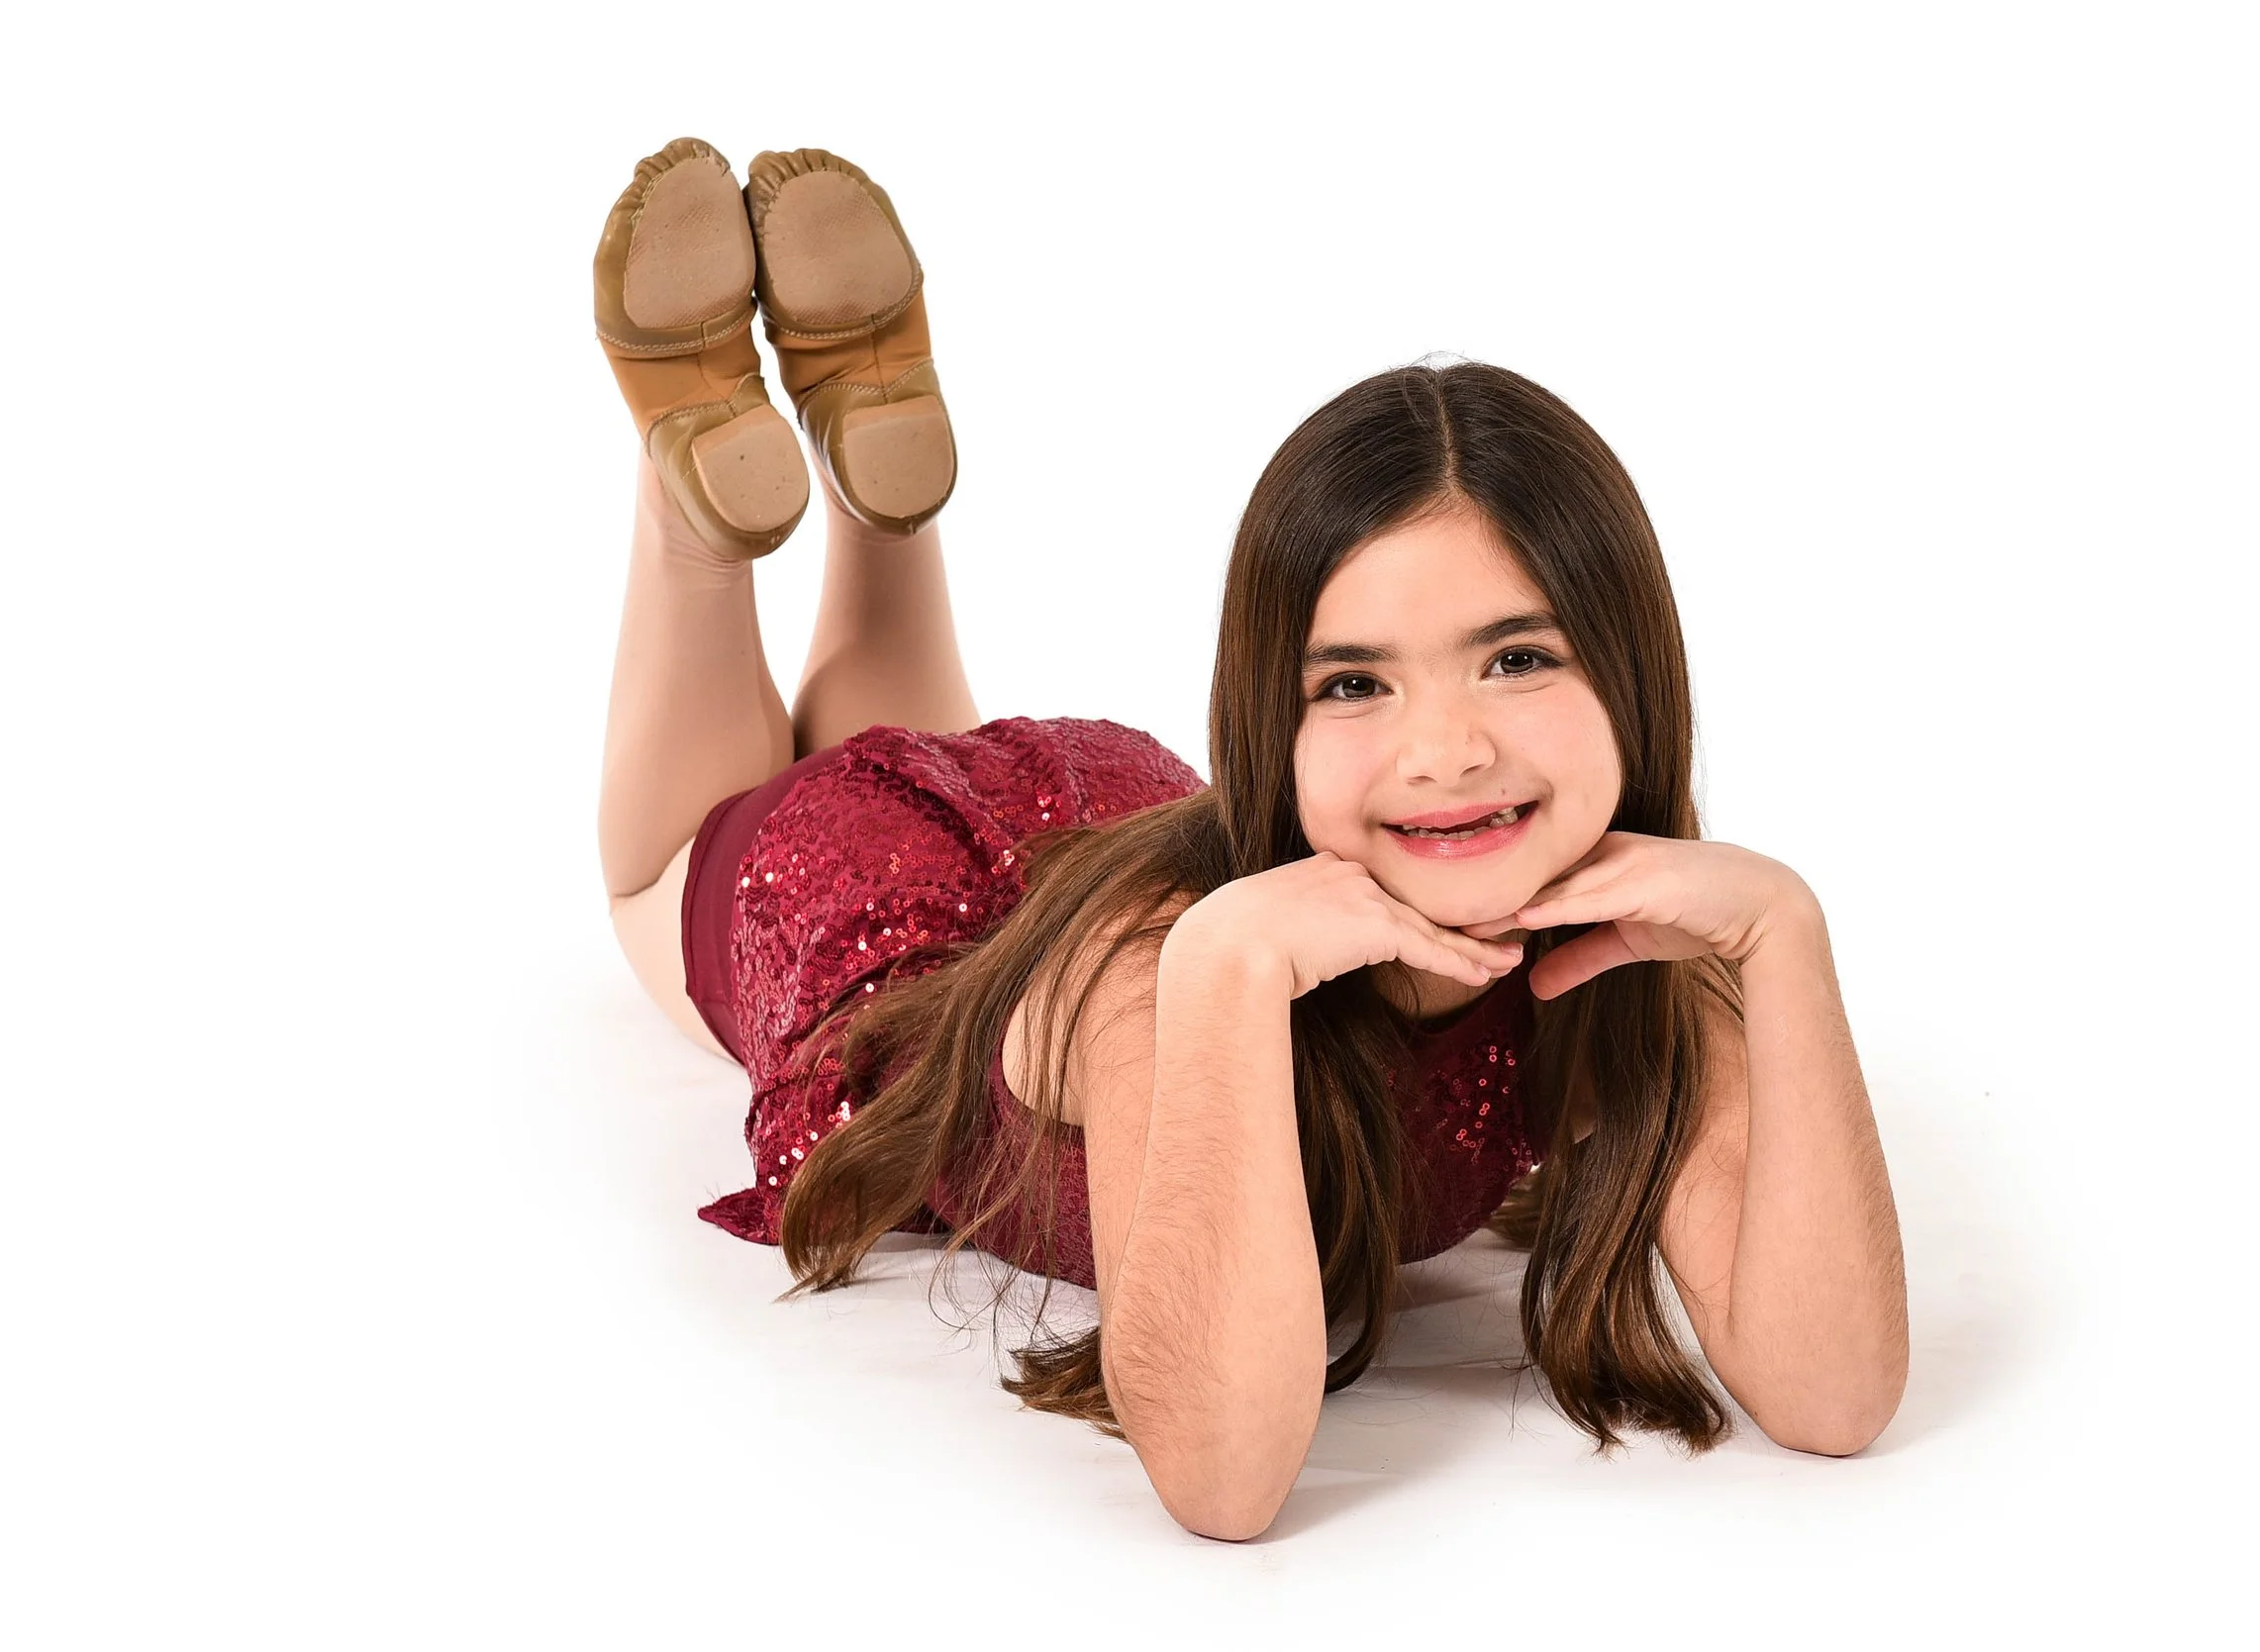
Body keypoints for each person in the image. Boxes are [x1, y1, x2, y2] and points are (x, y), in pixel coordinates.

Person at [593, 138, 1909, 1541]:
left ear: (1633, 669)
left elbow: (1835, 1397)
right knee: (654, 874)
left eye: (1516, 661)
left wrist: (1785, 938)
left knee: (919, 725)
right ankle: (696, 518)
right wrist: (1221, 967)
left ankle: (876, 475)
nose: (1445, 750)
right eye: (1354, 683)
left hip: (1093, 812)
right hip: (888, 894)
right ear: (1267, 724)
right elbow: (1225, 1480)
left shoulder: (1644, 941)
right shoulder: (1161, 969)